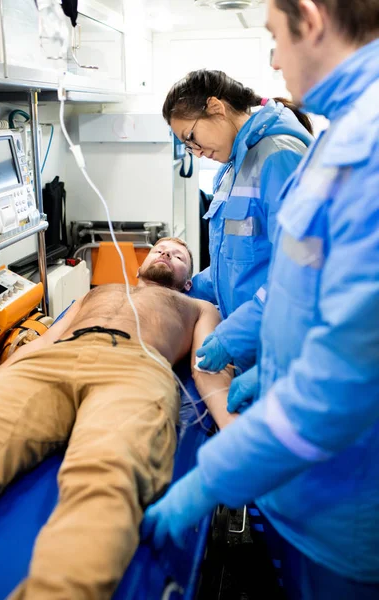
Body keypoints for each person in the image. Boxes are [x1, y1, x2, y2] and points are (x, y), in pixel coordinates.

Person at [143, 1, 379, 599]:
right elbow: (298, 290)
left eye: (275, 36)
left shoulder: (335, 153)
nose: (273, 59)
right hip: (298, 463)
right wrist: (263, 363)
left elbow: (342, 370)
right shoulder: (334, 143)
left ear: (311, 17)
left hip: (338, 498)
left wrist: (212, 477)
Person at [0, 237, 234, 600]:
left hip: (136, 366)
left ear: (187, 281)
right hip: (53, 361)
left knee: (107, 477)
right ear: (139, 266)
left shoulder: (197, 305)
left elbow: (208, 368)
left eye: (178, 256)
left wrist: (234, 434)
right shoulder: (94, 294)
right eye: (160, 249)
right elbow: (43, 342)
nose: (165, 253)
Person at [162, 70, 313, 398]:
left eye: (192, 137)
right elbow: (236, 261)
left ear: (215, 107)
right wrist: (185, 288)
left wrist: (233, 336)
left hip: (281, 346)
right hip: (254, 344)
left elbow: (299, 272)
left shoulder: (278, 157)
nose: (196, 152)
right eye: (188, 146)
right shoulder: (234, 167)